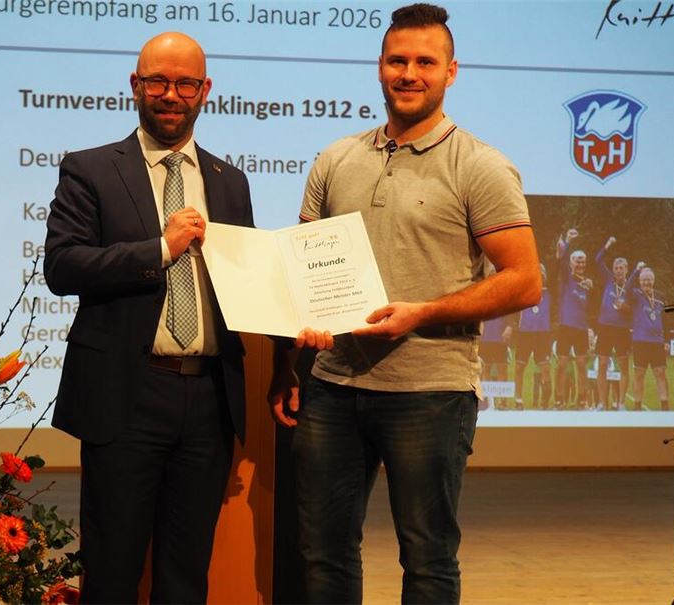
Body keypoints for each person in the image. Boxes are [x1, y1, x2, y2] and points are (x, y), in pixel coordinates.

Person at [266, 4, 542, 603]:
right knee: (323, 555)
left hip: (430, 391)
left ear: (451, 72)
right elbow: (304, 271)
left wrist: (423, 312)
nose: (409, 73)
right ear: (380, 67)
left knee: (427, 559)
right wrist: (290, 364)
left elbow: (525, 282)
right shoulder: (335, 159)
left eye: (425, 62)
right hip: (333, 386)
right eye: (398, 61)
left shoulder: (481, 165)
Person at [44, 32, 254, 603]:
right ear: (135, 85)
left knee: (187, 575)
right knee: (112, 570)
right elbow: (62, 266)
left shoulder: (230, 181)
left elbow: (247, 283)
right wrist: (161, 249)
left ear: (205, 90)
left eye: (186, 83)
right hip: (126, 396)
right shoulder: (90, 169)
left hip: (209, 400)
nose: (171, 94)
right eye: (158, 81)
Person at [594, 236, 636, 410]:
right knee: (602, 365)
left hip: (622, 330)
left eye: (621, 268)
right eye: (616, 268)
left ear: (626, 270)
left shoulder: (631, 288)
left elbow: (633, 311)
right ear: (613, 270)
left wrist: (625, 307)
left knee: (623, 366)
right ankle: (602, 403)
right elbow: (597, 260)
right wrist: (608, 244)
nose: (619, 271)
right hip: (605, 328)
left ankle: (621, 403)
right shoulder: (608, 280)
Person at [554, 229, 593, 409]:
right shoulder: (567, 277)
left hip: (581, 329)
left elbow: (591, 308)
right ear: (571, 263)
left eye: (583, 260)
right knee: (562, 364)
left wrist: (591, 328)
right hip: (566, 326)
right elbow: (561, 260)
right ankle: (559, 398)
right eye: (577, 260)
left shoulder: (588, 283)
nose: (580, 263)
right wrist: (568, 241)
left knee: (582, 364)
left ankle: (582, 399)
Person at [628, 265, 671, 411]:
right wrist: (635, 271)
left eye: (649, 279)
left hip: (657, 342)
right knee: (639, 374)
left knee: (660, 373)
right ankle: (637, 406)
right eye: (644, 280)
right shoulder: (635, 294)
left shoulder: (660, 296)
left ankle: (664, 405)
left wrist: (667, 340)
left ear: (653, 280)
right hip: (640, 341)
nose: (646, 282)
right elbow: (626, 289)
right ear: (640, 281)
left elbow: (666, 319)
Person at [513, 263, 553, 409]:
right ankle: (518, 400)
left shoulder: (549, 293)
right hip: (525, 333)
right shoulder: (522, 291)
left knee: (545, 369)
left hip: (542, 334)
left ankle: (544, 401)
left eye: (542, 273)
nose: (539, 275)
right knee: (519, 367)